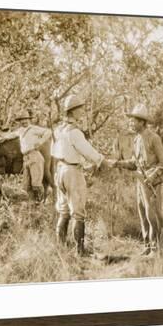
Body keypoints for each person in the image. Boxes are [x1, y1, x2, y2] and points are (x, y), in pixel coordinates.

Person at [51, 94, 113, 256]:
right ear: (73, 111)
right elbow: (88, 152)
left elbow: (57, 151)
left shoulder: (58, 130)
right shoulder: (75, 132)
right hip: (71, 171)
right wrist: (102, 161)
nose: (82, 112)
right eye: (80, 109)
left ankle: (61, 249)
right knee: (78, 212)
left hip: (59, 170)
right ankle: (80, 251)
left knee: (63, 210)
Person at [115, 104, 163, 255]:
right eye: (130, 120)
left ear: (142, 122)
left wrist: (153, 176)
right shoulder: (137, 139)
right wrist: (117, 163)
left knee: (151, 214)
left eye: (133, 121)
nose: (131, 123)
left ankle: (155, 248)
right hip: (140, 180)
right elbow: (135, 162)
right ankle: (147, 246)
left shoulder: (154, 138)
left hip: (151, 182)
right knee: (142, 213)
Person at [0, 109, 52, 202]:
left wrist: (40, 141)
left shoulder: (34, 129)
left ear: (29, 119)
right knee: (26, 185)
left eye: (26, 119)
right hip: (26, 158)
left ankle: (41, 201)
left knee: (36, 183)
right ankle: (33, 203)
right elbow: (9, 135)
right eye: (22, 120)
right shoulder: (20, 130)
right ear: (20, 121)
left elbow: (48, 132)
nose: (24, 121)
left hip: (34, 155)